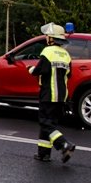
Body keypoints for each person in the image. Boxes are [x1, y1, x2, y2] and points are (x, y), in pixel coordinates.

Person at [29, 23, 76, 163]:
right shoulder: (66, 55)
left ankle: (64, 144)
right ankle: (44, 154)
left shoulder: (47, 52)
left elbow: (38, 71)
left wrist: (30, 69)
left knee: (45, 123)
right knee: (50, 125)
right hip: (61, 97)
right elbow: (69, 75)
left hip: (48, 94)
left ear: (52, 38)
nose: (46, 38)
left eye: (47, 36)